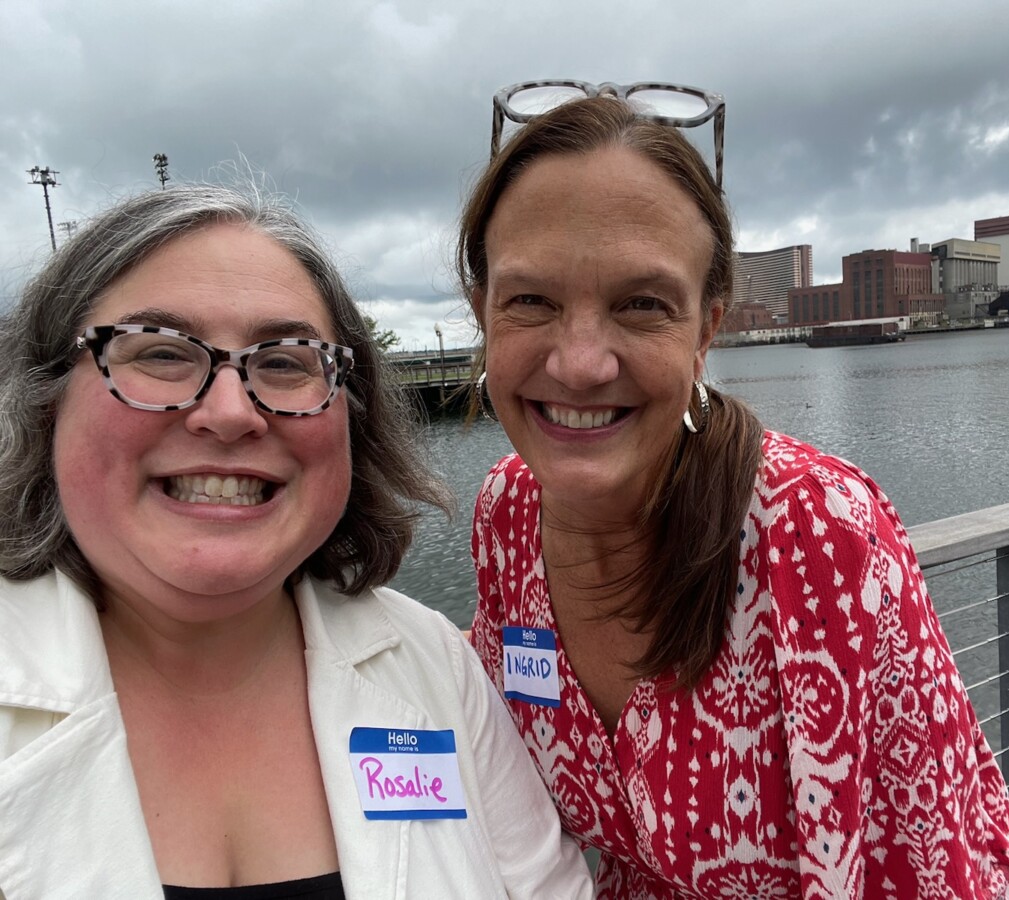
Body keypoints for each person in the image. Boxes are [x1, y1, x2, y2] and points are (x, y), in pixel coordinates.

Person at [460, 92, 1009, 898]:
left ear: (705, 330)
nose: (582, 363)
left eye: (643, 304)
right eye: (531, 300)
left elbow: (937, 867)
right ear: (481, 313)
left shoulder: (818, 533)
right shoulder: (506, 517)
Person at [0, 183, 592, 898]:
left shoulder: (436, 667)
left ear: (351, 416)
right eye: (158, 353)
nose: (228, 411)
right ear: (44, 400)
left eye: (283, 362)